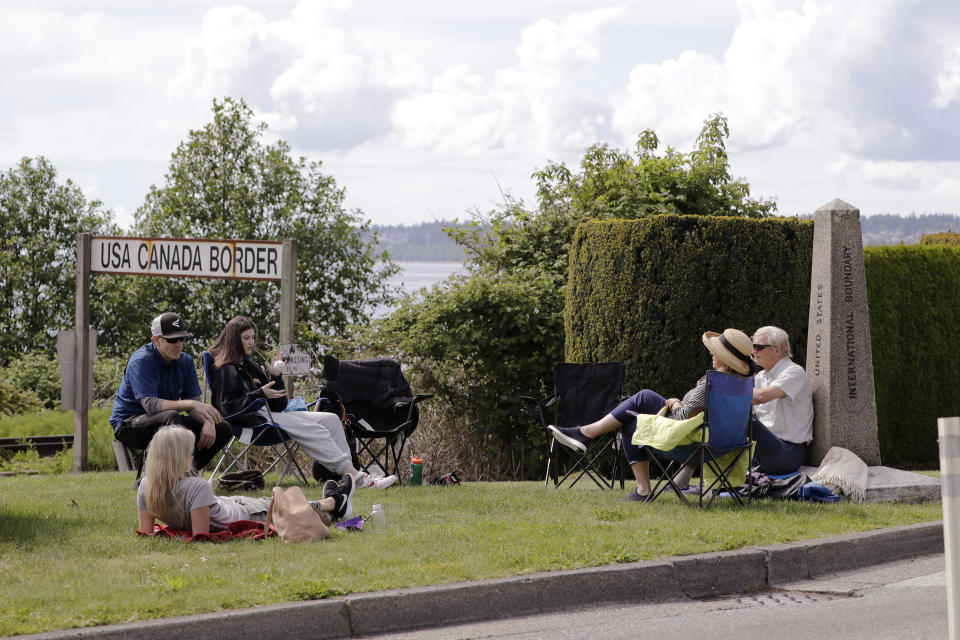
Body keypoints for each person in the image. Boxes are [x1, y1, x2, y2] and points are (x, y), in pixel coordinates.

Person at [548, 328, 756, 502]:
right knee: (639, 405)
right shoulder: (742, 385)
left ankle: (641, 487)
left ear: (727, 361)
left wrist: (675, 402)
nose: (711, 354)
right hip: (725, 444)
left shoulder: (712, 383)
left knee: (634, 415)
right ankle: (586, 433)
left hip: (692, 445)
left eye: (715, 352)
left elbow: (682, 417)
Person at [207, 316, 397, 490]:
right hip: (252, 425)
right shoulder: (227, 370)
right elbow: (227, 410)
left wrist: (275, 376)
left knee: (330, 419)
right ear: (234, 339)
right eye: (246, 338)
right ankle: (359, 478)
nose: (251, 342)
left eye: (253, 337)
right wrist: (259, 394)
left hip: (272, 416)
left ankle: (351, 474)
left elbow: (279, 405)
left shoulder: (252, 368)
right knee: (317, 430)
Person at [137, 426, 354, 536]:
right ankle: (335, 503)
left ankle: (331, 503)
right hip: (244, 514)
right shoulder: (196, 487)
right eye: (188, 453)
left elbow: (146, 531)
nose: (192, 457)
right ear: (176, 458)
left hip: (226, 505)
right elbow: (201, 536)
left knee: (271, 500)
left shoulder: (147, 485)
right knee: (282, 504)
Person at [111, 312, 232, 472]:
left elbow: (193, 407)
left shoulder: (186, 362)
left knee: (223, 427)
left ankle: (187, 471)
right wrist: (191, 403)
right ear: (156, 340)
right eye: (172, 339)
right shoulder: (141, 360)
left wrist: (208, 422)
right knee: (171, 417)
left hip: (166, 420)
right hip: (128, 424)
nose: (178, 344)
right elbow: (151, 406)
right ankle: (153, 479)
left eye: (182, 339)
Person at [749, 325, 814, 474]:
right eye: (753, 347)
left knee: (741, 420)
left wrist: (727, 393)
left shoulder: (794, 372)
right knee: (718, 424)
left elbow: (761, 397)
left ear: (777, 350)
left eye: (759, 347)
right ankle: (696, 484)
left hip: (787, 453)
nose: (754, 352)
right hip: (764, 449)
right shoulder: (760, 377)